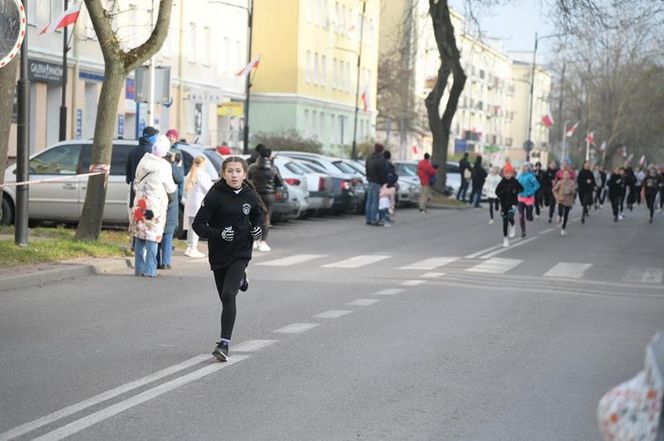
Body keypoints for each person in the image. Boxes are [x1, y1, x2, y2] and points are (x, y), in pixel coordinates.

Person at [192, 156, 266, 362]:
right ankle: (241, 278)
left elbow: (258, 217)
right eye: (230, 171)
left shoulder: (250, 195)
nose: (234, 175)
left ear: (244, 174)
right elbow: (198, 225)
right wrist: (219, 234)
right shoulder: (215, 195)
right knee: (224, 297)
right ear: (223, 173)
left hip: (241, 252)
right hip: (219, 254)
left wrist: (258, 229)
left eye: (238, 171)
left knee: (228, 295)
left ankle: (224, 343)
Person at [129, 135, 177, 278]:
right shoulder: (164, 166)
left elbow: (136, 180)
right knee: (152, 236)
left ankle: (139, 268)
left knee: (139, 235)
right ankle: (150, 270)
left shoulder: (144, 160)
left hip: (140, 202)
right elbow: (170, 187)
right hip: (155, 205)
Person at [248, 147, 282, 250]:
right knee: (266, 218)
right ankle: (263, 242)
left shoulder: (252, 167)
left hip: (255, 195)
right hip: (269, 196)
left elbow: (248, 179)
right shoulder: (273, 169)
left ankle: (253, 240)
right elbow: (279, 183)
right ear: (270, 156)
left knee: (253, 217)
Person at [157, 150, 185, 269]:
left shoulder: (154, 164)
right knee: (168, 233)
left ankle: (156, 260)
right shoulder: (169, 166)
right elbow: (179, 178)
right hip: (170, 202)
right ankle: (166, 262)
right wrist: (175, 163)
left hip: (157, 201)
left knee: (157, 233)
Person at [184, 156, 213, 258]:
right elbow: (208, 190)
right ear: (203, 164)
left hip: (190, 202)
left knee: (191, 226)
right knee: (196, 226)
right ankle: (193, 248)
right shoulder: (202, 174)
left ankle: (189, 247)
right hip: (198, 203)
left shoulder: (190, 173)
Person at [126, 126, 159, 209]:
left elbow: (128, 176)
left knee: (136, 217)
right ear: (151, 138)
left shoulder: (132, 151)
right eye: (155, 136)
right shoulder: (153, 153)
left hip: (135, 192)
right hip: (149, 193)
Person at [495, 163, 523, 247]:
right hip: (504, 204)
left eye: (509, 173)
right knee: (505, 222)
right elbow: (497, 192)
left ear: (512, 173)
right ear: (504, 173)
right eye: (506, 173)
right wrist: (503, 192)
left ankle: (513, 225)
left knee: (510, 217)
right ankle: (505, 239)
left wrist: (515, 191)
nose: (508, 175)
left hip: (513, 203)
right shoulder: (502, 182)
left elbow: (521, 188)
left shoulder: (515, 181)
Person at [364, 143, 387, 225]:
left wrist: (368, 177)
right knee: (375, 201)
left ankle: (368, 219)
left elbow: (366, 168)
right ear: (381, 150)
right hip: (377, 182)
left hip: (370, 181)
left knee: (369, 201)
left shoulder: (369, 158)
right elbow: (383, 172)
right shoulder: (381, 159)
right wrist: (384, 182)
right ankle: (373, 219)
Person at [516, 162, 540, 238]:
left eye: (526, 167)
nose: (524, 168)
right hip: (520, 198)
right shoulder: (519, 176)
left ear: (528, 168)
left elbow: (537, 185)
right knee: (520, 216)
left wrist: (530, 192)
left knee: (528, 216)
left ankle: (530, 216)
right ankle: (523, 231)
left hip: (529, 198)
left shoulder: (530, 176)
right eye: (523, 166)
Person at [552, 169, 577, 235]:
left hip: (568, 201)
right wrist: (556, 197)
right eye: (565, 174)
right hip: (561, 199)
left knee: (566, 215)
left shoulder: (572, 182)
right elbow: (554, 190)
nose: (566, 176)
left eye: (567, 174)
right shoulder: (560, 182)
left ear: (569, 176)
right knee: (560, 211)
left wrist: (571, 191)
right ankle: (559, 216)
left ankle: (563, 229)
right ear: (562, 176)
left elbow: (575, 191)